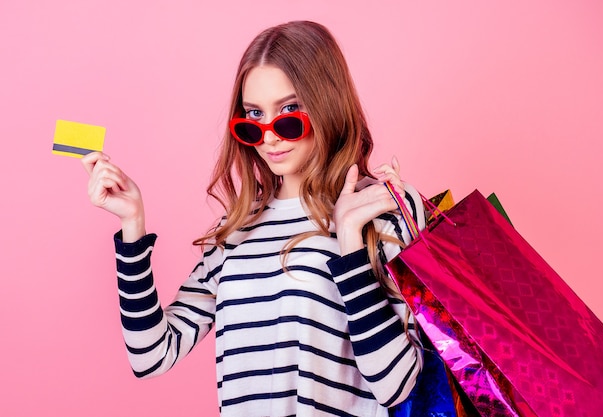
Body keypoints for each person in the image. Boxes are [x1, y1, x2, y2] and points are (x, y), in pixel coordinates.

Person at [82, 20, 426, 417]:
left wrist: (349, 241)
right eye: (253, 116)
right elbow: (151, 355)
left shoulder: (382, 207)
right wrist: (132, 224)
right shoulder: (238, 226)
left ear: (327, 102)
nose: (269, 137)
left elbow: (397, 385)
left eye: (290, 111)